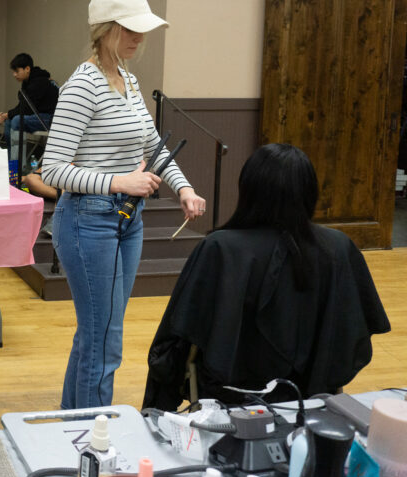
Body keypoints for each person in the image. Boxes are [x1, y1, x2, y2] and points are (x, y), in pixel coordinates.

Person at [41, 0, 206, 409]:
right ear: (104, 29)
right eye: (129, 29)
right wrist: (119, 182)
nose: (138, 38)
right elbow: (53, 169)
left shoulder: (129, 82)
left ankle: (73, 429)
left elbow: (153, 146)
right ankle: (94, 444)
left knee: (95, 334)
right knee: (105, 341)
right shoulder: (84, 84)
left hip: (125, 219)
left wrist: (183, 187)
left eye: (141, 30)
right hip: (87, 220)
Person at [143, 144, 390, 410]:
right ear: (309, 192)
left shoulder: (221, 248)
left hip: (229, 398)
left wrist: (159, 407)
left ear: (248, 190)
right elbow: (351, 335)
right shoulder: (338, 247)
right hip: (310, 398)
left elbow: (176, 339)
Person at [0, 53, 58, 161]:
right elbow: (22, 107)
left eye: (16, 71)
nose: (14, 74)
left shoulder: (39, 82)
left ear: (27, 68)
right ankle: (12, 160)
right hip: (38, 116)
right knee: (10, 120)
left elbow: (27, 109)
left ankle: (18, 165)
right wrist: (5, 116)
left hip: (50, 119)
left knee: (16, 120)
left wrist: (4, 116)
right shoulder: (27, 82)